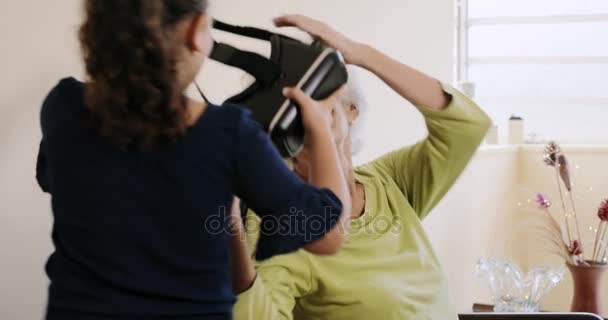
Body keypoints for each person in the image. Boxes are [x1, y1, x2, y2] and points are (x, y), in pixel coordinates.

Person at [36, 2, 352, 319]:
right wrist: (322, 127)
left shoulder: (62, 106)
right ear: (197, 32)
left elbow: (61, 180)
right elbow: (329, 234)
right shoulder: (229, 136)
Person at [231, 15, 492, 320]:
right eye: (294, 106)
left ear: (352, 110)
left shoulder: (389, 182)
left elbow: (468, 126)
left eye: (321, 97)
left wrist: (362, 54)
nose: (311, 112)